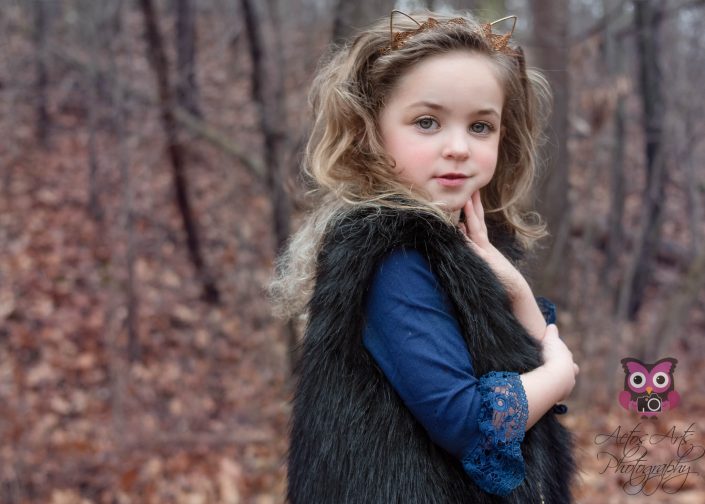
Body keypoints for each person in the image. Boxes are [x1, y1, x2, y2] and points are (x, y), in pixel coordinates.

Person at [268, 9, 579, 503]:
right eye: (427, 122)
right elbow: (470, 425)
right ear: (372, 130)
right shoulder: (391, 254)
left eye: (481, 127)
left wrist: (516, 292)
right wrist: (557, 378)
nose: (457, 147)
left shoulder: (464, 243)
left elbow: (523, 367)